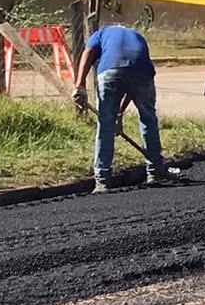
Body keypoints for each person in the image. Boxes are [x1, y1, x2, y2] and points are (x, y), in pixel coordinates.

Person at [72, 24, 179, 192]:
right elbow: (133, 80)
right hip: (142, 73)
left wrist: (80, 85)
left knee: (105, 125)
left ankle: (102, 181)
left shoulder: (99, 34)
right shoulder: (137, 36)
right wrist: (119, 113)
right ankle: (155, 171)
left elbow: (88, 53)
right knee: (148, 119)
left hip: (110, 72)